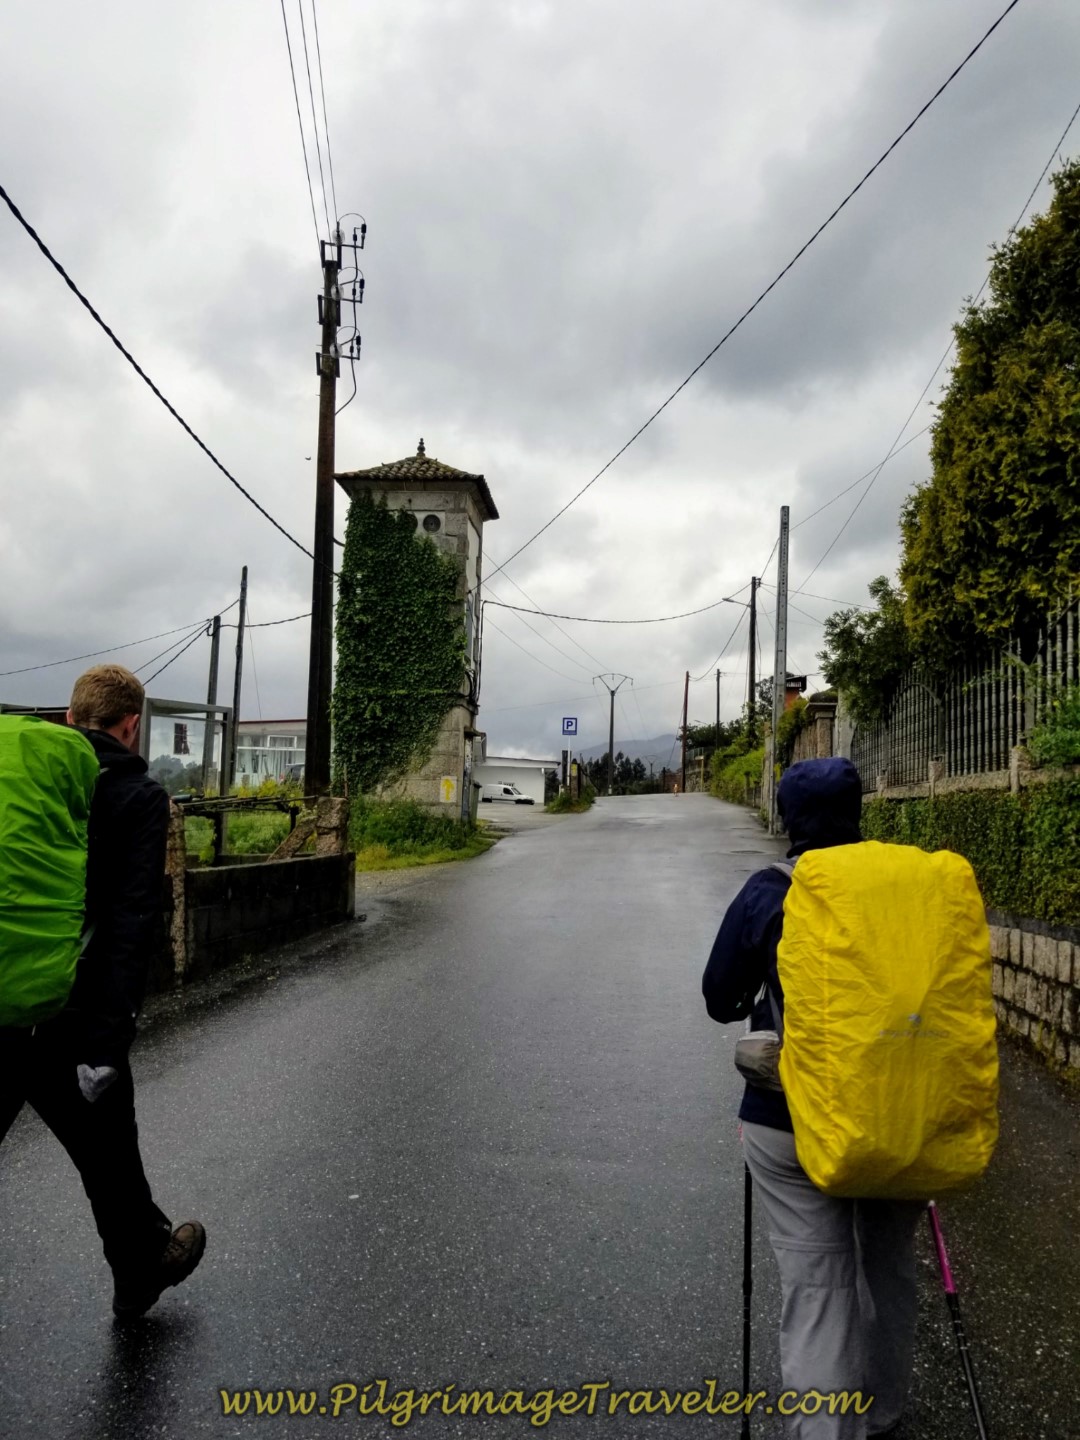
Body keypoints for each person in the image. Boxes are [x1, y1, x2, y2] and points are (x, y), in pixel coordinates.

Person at [702, 757, 922, 1440]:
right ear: (861, 811)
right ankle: (884, 1413)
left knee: (821, 1286)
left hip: (792, 1121)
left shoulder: (770, 892)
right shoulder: (912, 884)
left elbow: (719, 1000)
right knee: (887, 1270)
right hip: (898, 1115)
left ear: (786, 817)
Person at [0, 664, 205, 1319]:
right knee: (107, 1141)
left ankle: (146, 1255)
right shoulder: (137, 796)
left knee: (105, 1145)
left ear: (70, 718)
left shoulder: (27, 775)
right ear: (131, 725)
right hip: (71, 1011)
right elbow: (131, 917)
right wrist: (111, 1033)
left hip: (6, 991)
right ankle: (143, 1262)